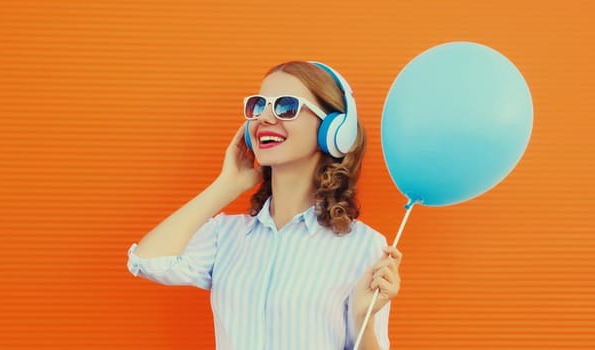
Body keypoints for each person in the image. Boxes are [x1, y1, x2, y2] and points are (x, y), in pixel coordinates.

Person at [127, 61, 402, 349]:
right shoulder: (227, 235)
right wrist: (226, 185)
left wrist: (362, 319)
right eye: (259, 106)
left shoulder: (365, 246)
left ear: (333, 130)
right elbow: (147, 261)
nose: (264, 118)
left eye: (285, 107)